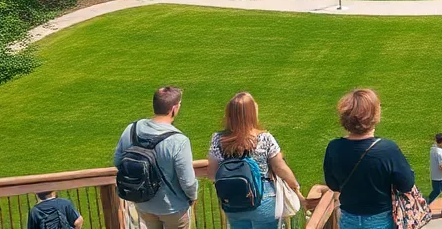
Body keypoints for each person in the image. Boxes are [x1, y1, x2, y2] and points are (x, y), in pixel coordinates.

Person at [207, 92, 303, 229]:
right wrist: (295, 186)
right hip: (263, 199)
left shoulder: (217, 139)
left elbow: (212, 173)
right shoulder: (265, 138)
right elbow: (280, 167)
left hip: (232, 202)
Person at [323, 89, 416, 229]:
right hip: (381, 219)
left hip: (349, 218)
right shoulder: (387, 149)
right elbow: (406, 184)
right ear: (374, 116)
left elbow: (333, 184)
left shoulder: (334, 147)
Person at [113, 86, 197, 229]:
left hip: (143, 203)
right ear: (174, 109)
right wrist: (193, 196)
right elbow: (187, 181)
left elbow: (117, 161)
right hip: (173, 207)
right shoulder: (179, 140)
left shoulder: (132, 129)